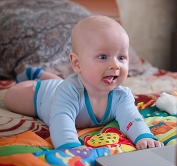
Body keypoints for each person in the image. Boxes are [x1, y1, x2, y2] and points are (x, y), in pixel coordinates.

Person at [3, 15, 164, 150]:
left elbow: (132, 118)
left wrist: (143, 137)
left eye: (121, 57)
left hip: (63, 84)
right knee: (11, 96)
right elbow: (61, 124)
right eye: (103, 57)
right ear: (77, 64)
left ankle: (46, 75)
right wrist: (70, 147)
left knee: (62, 83)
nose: (115, 65)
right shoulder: (68, 93)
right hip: (43, 95)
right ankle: (37, 75)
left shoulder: (121, 95)